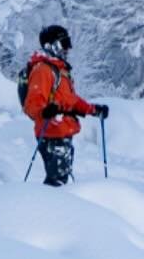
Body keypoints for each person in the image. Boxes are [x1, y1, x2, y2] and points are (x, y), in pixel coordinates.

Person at [23, 24, 108, 187]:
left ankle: (53, 208)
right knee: (57, 180)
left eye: (68, 43)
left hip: (62, 131)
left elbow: (70, 100)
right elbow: (32, 103)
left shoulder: (60, 71)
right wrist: (45, 111)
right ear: (51, 46)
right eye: (64, 44)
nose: (68, 49)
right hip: (50, 133)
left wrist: (92, 109)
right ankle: (42, 209)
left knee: (60, 178)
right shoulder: (43, 70)